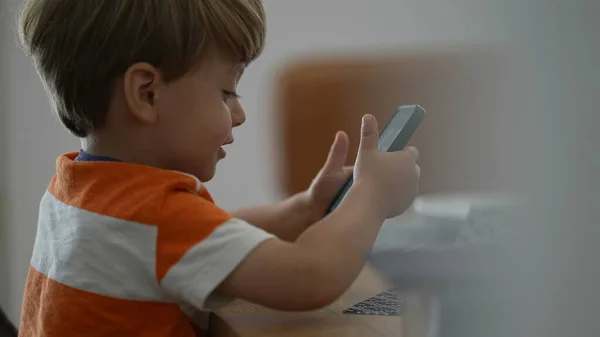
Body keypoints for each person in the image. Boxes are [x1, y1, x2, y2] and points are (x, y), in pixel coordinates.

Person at [17, 0, 420, 336]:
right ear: (147, 93)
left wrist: (306, 209)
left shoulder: (76, 188)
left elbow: (209, 233)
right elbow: (309, 277)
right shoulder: (156, 215)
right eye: (226, 92)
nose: (239, 114)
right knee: (380, 313)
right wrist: (372, 196)